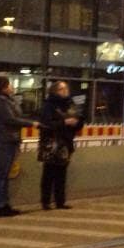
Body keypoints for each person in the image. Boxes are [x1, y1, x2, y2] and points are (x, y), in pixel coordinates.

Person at [0, 76, 39, 217]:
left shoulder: (7, 100)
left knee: (5, 175)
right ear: (3, 87)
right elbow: (10, 119)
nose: (12, 87)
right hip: (4, 140)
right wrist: (31, 124)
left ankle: (4, 204)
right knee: (1, 174)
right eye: (9, 85)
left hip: (11, 140)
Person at [38, 80, 83, 209]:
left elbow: (79, 119)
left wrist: (77, 122)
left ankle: (60, 201)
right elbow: (45, 124)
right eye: (61, 89)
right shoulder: (48, 105)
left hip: (66, 142)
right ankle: (45, 201)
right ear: (54, 91)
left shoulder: (70, 103)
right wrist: (65, 122)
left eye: (66, 89)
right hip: (51, 142)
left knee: (61, 173)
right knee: (49, 172)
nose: (65, 91)